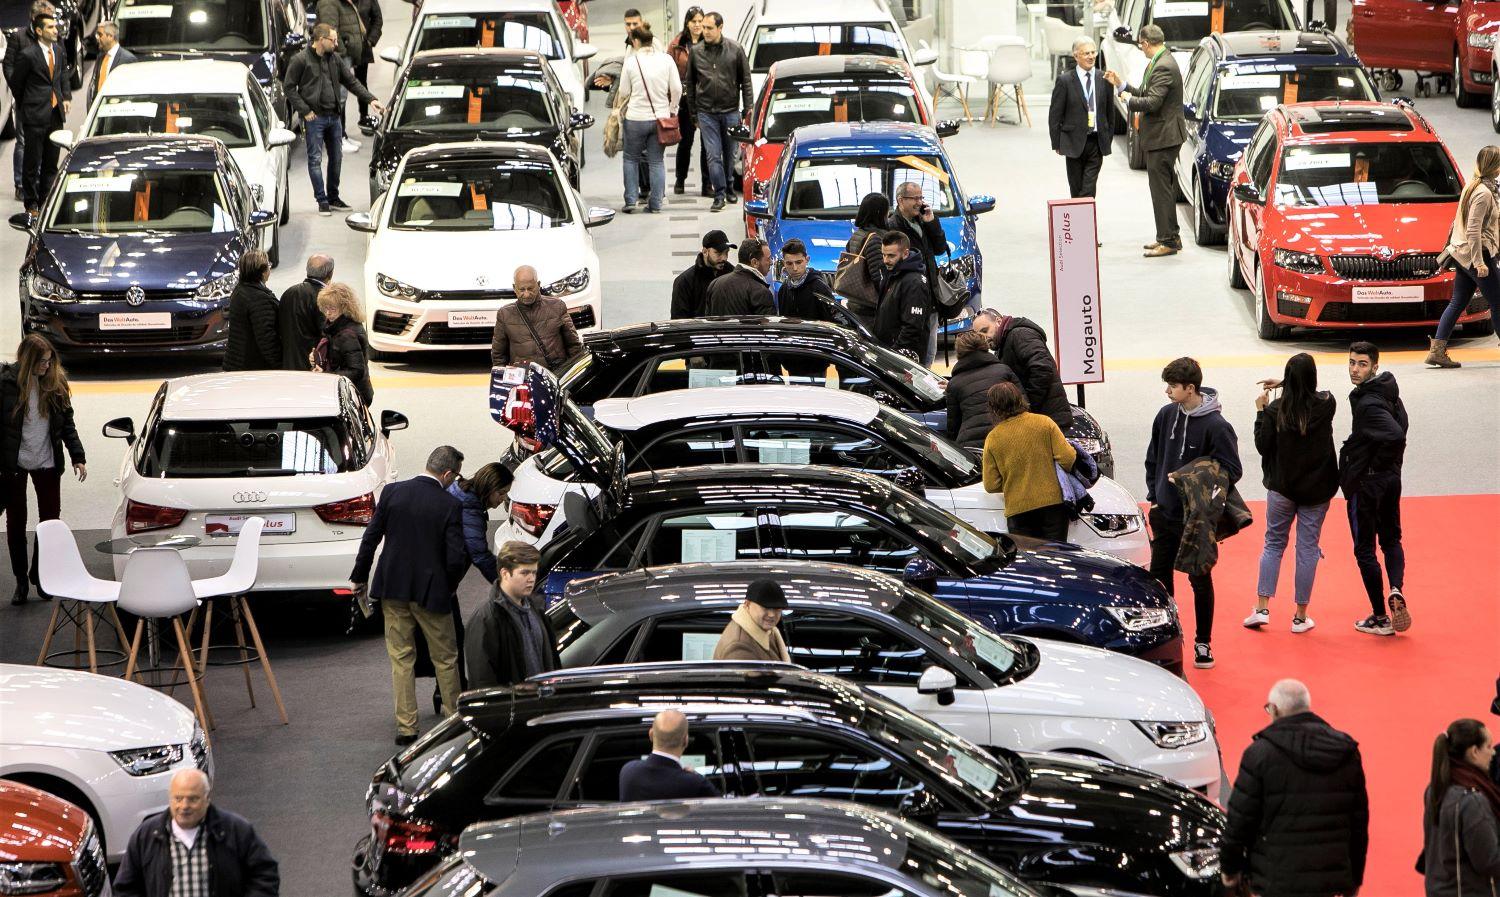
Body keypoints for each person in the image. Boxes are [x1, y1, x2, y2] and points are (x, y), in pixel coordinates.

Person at [349, 445, 467, 745]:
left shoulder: (392, 493)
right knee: (446, 658)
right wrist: (449, 585)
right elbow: (455, 559)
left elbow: (371, 538)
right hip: (431, 593)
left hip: (393, 589)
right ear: (448, 473)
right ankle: (453, 723)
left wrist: (359, 577)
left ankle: (406, 728)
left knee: (401, 659)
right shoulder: (449, 505)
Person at [1222, 680, 1368, 897]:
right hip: (1331, 883)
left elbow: (1240, 821)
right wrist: (1355, 878)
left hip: (1275, 881)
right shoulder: (1346, 752)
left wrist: (1230, 870)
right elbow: (1358, 825)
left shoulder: (1259, 754)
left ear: (1274, 709)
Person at [1144, 357, 1241, 670]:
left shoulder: (1217, 426)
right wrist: (1154, 496)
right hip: (1164, 513)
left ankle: (1203, 642)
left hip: (1196, 520)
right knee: (1159, 580)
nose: (1168, 391)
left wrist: (1190, 476)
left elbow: (1232, 469)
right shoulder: (1165, 415)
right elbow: (1153, 458)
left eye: (1173, 386)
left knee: (1200, 580)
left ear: (1190, 388)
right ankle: (1168, 633)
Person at [1246, 353, 1338, 633]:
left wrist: (1260, 412)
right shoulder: (1327, 404)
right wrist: (1290, 382)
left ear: (1288, 380)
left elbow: (1263, 446)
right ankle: (1300, 616)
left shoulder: (1275, 411)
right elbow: (1315, 392)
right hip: (1317, 490)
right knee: (1307, 549)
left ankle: (1262, 608)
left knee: (1273, 544)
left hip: (1282, 488)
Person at [1, 334, 85, 605]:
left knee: (50, 521)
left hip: (47, 460)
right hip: (15, 463)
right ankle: (21, 581)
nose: (46, 367)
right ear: (27, 362)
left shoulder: (55, 384)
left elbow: (67, 424)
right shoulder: (6, 385)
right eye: (41, 363)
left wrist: (77, 456)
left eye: (49, 362)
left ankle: (40, 573)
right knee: (16, 522)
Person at [113, 769, 280, 897]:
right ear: (170, 799)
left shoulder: (235, 830)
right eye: (178, 798)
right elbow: (126, 888)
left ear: (207, 799)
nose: (184, 806)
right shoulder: (146, 836)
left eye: (193, 799)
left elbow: (265, 874)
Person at [1341, 341, 1411, 637]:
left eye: (1362, 364)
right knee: (1391, 540)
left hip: (1368, 484)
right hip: (1390, 480)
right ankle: (1395, 588)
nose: (1355, 370)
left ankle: (1381, 618)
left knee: (1364, 549)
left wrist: (1376, 463)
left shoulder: (1368, 403)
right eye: (1352, 363)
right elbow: (1403, 426)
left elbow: (1395, 435)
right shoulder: (1389, 391)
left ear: (1374, 367)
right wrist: (1391, 465)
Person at [1104, 24, 1187, 257]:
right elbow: (1145, 91)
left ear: (1146, 43)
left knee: (1161, 190)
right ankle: (1170, 236)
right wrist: (1122, 85)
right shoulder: (1159, 61)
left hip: (1164, 137)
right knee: (1163, 189)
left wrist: (1127, 100)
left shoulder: (1164, 67)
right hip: (1163, 135)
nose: (1140, 48)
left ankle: (1168, 241)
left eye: (1141, 44)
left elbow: (1152, 103)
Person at [283, 23, 382, 216]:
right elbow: (289, 88)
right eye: (333, 40)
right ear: (321, 40)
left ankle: (333, 197)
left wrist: (371, 99)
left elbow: (352, 82)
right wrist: (304, 110)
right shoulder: (300, 60)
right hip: (314, 119)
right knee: (315, 159)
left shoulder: (335, 60)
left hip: (334, 117)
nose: (336, 44)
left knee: (336, 158)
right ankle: (322, 201)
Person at [1429, 145, 1500, 368]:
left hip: (1462, 254)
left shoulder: (1474, 186)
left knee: (1458, 301)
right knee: (1499, 302)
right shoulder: (1483, 193)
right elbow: (1473, 230)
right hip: (1476, 255)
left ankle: (1437, 351)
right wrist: (1479, 262)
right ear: (1493, 166)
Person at [980, 381, 1077, 541]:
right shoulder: (1044, 423)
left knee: (1030, 561)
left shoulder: (993, 438)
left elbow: (990, 485)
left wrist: (1014, 481)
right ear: (1020, 399)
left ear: (994, 408)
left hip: (1018, 512)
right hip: (1053, 506)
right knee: (1056, 556)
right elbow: (1068, 458)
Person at [464, 541, 560, 689]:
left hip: (542, 704)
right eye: (524, 573)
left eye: (534, 572)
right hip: (511, 708)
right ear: (505, 573)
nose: (531, 579)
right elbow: (482, 680)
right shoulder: (485, 619)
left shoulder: (537, 608)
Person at [683, 11, 752, 212]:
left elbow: (746, 82)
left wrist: (748, 111)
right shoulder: (696, 52)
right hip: (706, 113)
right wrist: (694, 113)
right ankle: (719, 194)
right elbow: (690, 84)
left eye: (709, 28)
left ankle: (730, 185)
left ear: (720, 28)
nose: (705, 31)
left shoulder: (735, 50)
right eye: (703, 27)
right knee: (713, 155)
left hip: (730, 111)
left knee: (730, 155)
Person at [1422, 718, 1500, 895]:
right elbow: (1490, 861)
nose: (1493, 753)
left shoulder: (1435, 788)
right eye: (1488, 747)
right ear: (1474, 752)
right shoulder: (1472, 800)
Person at [616, 24, 681, 214]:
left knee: (630, 159)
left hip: (635, 118)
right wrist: (671, 109)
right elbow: (676, 89)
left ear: (636, 41)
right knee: (656, 161)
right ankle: (655, 204)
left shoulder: (631, 62)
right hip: (660, 118)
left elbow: (624, 91)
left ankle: (630, 201)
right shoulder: (666, 60)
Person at [10, 9, 71, 214]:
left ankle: (46, 201)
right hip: (35, 114)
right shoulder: (28, 55)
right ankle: (32, 203)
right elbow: (17, 83)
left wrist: (66, 97)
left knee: (51, 163)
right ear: (38, 31)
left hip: (55, 113)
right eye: (51, 27)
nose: (55, 30)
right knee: (32, 162)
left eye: (55, 27)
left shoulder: (59, 51)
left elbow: (62, 76)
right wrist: (28, 104)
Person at [972, 309, 1072, 430]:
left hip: (1048, 419)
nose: (984, 338)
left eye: (985, 330)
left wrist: (1027, 405)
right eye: (979, 335)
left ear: (998, 321)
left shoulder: (1020, 334)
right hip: (1041, 420)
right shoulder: (1003, 344)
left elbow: (1042, 368)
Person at [886, 181, 947, 365]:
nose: (919, 202)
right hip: (909, 297)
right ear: (900, 200)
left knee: (930, 352)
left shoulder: (924, 220)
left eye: (921, 197)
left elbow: (940, 248)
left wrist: (932, 223)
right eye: (914, 198)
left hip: (930, 295)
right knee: (913, 352)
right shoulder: (892, 226)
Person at [3, 2, 55, 203]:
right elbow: (9, 66)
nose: (51, 23)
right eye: (46, 17)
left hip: (46, 104)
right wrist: (20, 93)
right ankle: (20, 184)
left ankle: (39, 184)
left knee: (43, 144)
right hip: (26, 102)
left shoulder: (52, 41)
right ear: (35, 19)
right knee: (23, 142)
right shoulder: (19, 37)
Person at [1048, 37, 1114, 199]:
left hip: (1096, 142)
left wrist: (1108, 137)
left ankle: (1084, 220)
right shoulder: (1065, 81)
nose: (1091, 56)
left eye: (1093, 52)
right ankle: (1079, 221)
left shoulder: (1104, 79)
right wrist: (1057, 143)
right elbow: (1055, 115)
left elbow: (1109, 112)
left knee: (1088, 190)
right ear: (1076, 56)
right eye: (1086, 53)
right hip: (1073, 142)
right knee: (1076, 189)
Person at [489, 265, 583, 371]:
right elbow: (498, 356)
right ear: (514, 288)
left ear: (538, 285)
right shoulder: (504, 314)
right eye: (522, 289)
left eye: (530, 288)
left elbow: (573, 345)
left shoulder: (557, 307)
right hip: (523, 380)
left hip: (556, 376)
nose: (526, 294)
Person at [618, 709, 721, 801]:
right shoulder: (696, 784)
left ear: (651, 735)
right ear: (685, 741)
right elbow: (724, 809)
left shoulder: (628, 771)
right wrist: (696, 776)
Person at [946, 330, 1020, 450]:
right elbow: (1024, 404)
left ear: (959, 352)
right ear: (985, 346)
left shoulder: (954, 383)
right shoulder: (1004, 371)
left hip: (972, 446)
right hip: (1009, 437)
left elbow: (953, 426)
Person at [446, 462, 513, 585]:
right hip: (438, 580)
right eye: (501, 492)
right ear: (489, 487)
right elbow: (480, 556)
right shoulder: (470, 510)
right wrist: (509, 585)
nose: (503, 498)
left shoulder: (459, 490)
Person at [310, 282, 373, 405]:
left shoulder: (347, 334)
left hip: (354, 394)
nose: (328, 313)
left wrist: (326, 375)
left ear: (345, 308)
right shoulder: (337, 326)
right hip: (353, 390)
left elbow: (356, 371)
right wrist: (317, 357)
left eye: (332, 309)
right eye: (325, 308)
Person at [668, 7, 708, 196]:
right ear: (687, 23)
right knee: (685, 142)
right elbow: (668, 70)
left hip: (706, 98)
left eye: (700, 21)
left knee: (708, 144)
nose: (698, 25)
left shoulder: (709, 42)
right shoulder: (677, 44)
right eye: (694, 21)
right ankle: (680, 179)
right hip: (685, 100)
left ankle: (707, 184)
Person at [875, 231, 931, 361]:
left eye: (891, 256)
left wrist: (893, 355)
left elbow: (912, 328)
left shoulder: (914, 283)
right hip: (889, 352)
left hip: (902, 359)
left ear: (905, 253)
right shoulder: (892, 273)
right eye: (883, 255)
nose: (885, 260)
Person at [222, 250, 281, 372]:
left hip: (236, 363)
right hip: (252, 368)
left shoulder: (239, 291)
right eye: (268, 265)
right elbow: (266, 338)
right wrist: (279, 365)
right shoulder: (259, 298)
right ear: (263, 272)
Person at [842, 192, 890, 333]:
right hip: (870, 308)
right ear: (880, 213)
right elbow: (878, 276)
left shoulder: (858, 234)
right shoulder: (875, 239)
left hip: (856, 302)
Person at [713, 578, 791, 662]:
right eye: (765, 608)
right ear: (747, 604)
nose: (771, 614)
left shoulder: (765, 629)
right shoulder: (739, 647)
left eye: (777, 609)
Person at [279, 254, 334, 371]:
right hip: (313, 368)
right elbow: (327, 334)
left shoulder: (288, 293)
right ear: (330, 274)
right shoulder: (325, 299)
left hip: (287, 365)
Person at [670, 230, 734, 318]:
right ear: (705, 252)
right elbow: (679, 321)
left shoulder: (733, 274)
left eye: (726, 252)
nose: (724, 258)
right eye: (718, 253)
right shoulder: (684, 282)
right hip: (699, 331)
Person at [704, 239, 775, 315]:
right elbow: (767, 325)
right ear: (754, 262)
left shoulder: (714, 284)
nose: (771, 262)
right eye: (768, 259)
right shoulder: (761, 292)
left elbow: (709, 320)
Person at [776, 239, 836, 320]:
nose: (795, 268)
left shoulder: (820, 288)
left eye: (798, 262)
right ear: (784, 263)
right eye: (789, 263)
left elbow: (834, 320)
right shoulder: (783, 290)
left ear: (807, 260)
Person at [88, 21, 136, 107]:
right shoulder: (100, 57)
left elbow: (131, 89)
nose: (97, 38)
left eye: (100, 35)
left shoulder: (128, 59)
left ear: (110, 36)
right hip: (99, 107)